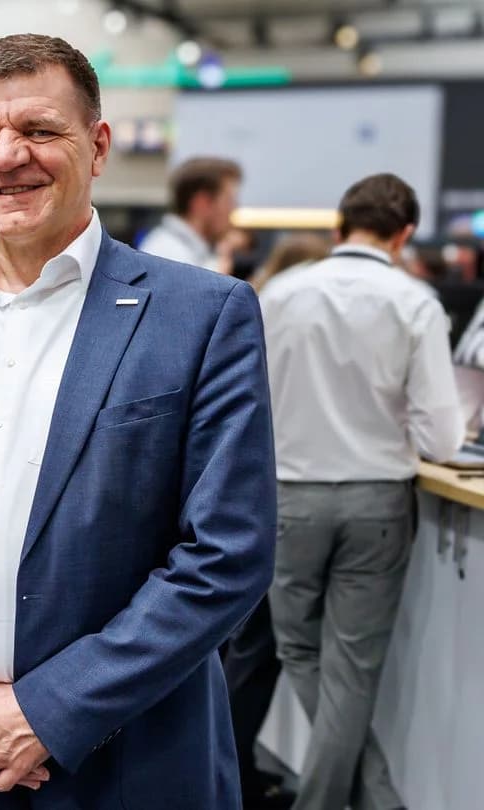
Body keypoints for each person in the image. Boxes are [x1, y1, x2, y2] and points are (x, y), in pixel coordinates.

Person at [0, 34, 275, 809]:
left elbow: (226, 554)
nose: (7, 157)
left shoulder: (201, 315)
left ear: (98, 147)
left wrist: (50, 709)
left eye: (38, 129)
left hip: (125, 769)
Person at [260, 173, 463, 810]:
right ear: (404, 235)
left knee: (299, 649)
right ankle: (372, 797)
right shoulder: (415, 301)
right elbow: (442, 438)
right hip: (377, 500)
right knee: (353, 665)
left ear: (338, 227)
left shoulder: (278, 294)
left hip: (288, 497)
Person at [139, 156, 247, 276]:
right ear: (202, 203)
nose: (234, 209)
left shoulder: (186, 248)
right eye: (229, 201)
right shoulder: (169, 255)